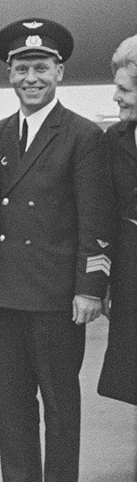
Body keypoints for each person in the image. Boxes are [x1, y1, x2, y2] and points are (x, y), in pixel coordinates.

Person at [0, 18, 116, 482]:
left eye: (41, 67)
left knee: (61, 405)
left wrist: (90, 288)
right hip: (4, 297)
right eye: (21, 69)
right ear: (9, 74)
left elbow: (96, 221)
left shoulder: (83, 136)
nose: (31, 79)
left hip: (57, 300)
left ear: (59, 72)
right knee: (11, 407)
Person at [97, 34, 137, 405]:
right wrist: (105, 282)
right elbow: (105, 213)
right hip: (131, 274)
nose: (116, 97)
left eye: (124, 90)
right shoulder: (116, 139)